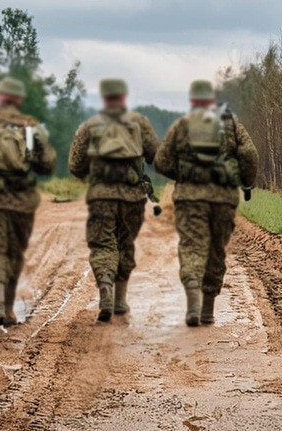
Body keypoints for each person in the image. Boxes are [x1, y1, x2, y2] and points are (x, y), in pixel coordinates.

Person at [154, 80, 258, 327]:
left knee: (192, 246)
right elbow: (249, 155)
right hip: (223, 199)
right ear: (211, 100)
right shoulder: (231, 124)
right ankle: (208, 309)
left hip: (190, 199)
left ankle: (192, 305)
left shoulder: (182, 125)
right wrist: (246, 182)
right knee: (215, 249)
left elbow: (161, 161)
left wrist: (183, 176)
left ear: (192, 101)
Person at [0, 76, 57, 329]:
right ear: (18, 99)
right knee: (14, 252)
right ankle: (8, 309)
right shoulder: (30, 126)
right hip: (22, 201)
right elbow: (47, 163)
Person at [68, 78, 160, 321]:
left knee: (103, 246)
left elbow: (75, 165)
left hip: (102, 197)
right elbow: (155, 156)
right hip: (133, 198)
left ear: (104, 98)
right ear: (124, 97)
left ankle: (105, 291)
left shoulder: (89, 126)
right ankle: (120, 300)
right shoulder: (140, 123)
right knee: (125, 244)